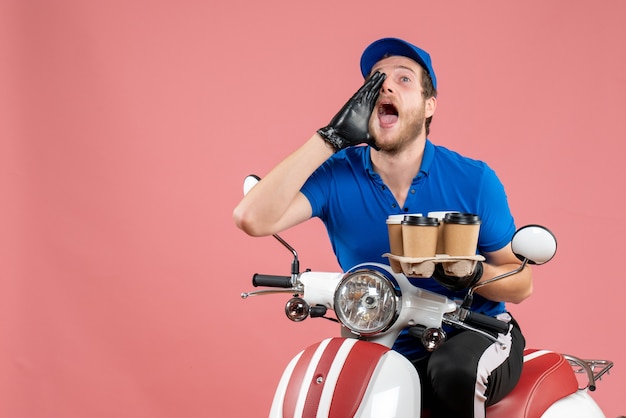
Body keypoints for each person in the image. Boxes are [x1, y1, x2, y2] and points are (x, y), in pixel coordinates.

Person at [233, 37, 531, 418]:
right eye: (375, 81)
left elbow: (522, 284)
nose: (385, 86)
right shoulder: (338, 175)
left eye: (404, 79)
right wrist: (330, 139)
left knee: (452, 370)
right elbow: (250, 218)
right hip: (380, 338)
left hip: (477, 334)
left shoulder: (473, 180)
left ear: (428, 106)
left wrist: (469, 273)